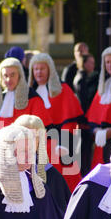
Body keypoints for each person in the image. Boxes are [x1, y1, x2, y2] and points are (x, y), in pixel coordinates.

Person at [0, 57, 52, 175]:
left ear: (20, 76)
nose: (8, 79)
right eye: (5, 75)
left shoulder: (32, 98)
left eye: (12, 75)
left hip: (28, 161)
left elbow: (43, 133)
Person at [28, 52, 84, 192]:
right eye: (36, 69)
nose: (39, 72)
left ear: (50, 70)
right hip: (35, 147)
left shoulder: (63, 89)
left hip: (59, 145)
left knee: (64, 184)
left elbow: (69, 122)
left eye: (42, 69)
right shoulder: (29, 93)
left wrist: (64, 146)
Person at [71, 54, 99, 177]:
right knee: (85, 153)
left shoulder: (84, 77)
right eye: (91, 62)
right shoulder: (82, 79)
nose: (93, 65)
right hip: (84, 122)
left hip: (83, 121)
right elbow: (83, 100)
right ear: (85, 63)